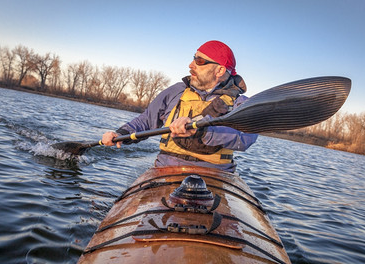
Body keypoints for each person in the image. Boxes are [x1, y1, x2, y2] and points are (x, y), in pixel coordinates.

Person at [101, 40, 258, 172]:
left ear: (220, 70)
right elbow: (147, 120)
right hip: (166, 169)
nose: (191, 65)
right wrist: (120, 133)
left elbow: (246, 137)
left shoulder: (240, 103)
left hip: (215, 174)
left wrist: (201, 129)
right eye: (193, 58)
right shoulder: (176, 91)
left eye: (200, 61)